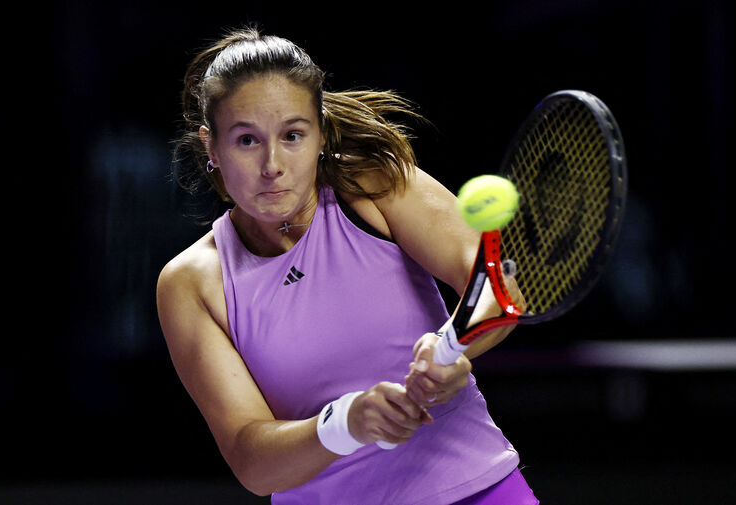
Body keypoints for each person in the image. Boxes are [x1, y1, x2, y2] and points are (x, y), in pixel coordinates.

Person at [157, 27, 539, 505]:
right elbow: (252, 462)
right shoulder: (191, 283)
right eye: (247, 140)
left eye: (292, 135)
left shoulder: (372, 185)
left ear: (319, 133)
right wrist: (346, 423)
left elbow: (493, 284)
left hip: (479, 492)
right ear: (211, 147)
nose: (272, 164)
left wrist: (452, 349)